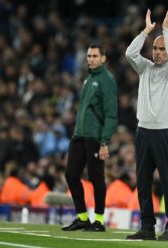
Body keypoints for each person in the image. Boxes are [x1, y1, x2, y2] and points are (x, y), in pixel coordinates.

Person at [125, 7, 168, 241]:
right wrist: (145, 32)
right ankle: (147, 226)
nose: (158, 53)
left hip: (165, 133)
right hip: (144, 132)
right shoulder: (145, 68)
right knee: (143, 183)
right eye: (155, 48)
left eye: (162, 49)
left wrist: (166, 31)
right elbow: (130, 54)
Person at [61, 43, 118, 232]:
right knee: (71, 175)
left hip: (94, 137)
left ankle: (99, 220)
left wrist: (104, 142)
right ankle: (83, 217)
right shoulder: (88, 79)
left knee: (96, 178)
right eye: (89, 56)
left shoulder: (107, 80)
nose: (91, 59)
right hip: (80, 135)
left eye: (94, 56)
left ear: (103, 58)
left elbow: (111, 114)